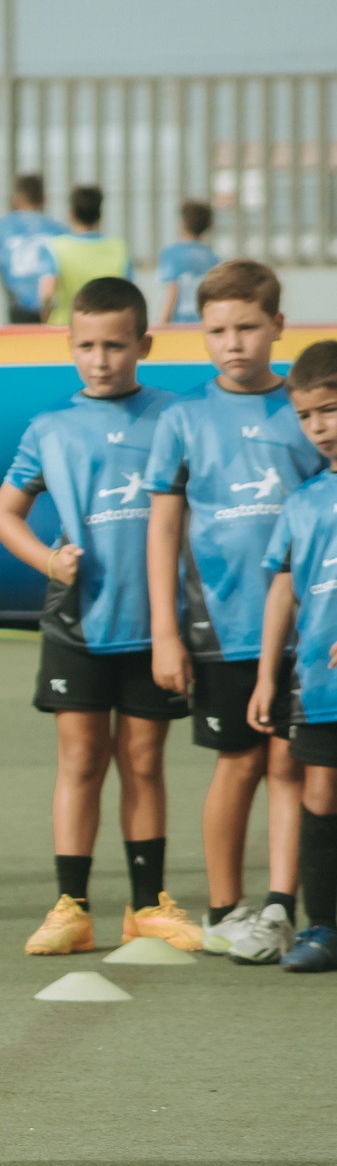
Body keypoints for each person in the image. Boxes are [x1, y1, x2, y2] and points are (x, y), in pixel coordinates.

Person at [0, 277, 187, 956]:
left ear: (144, 344)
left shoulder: (174, 418)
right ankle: (71, 906)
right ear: (69, 345)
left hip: (155, 622)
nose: (100, 359)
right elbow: (3, 516)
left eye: (115, 345)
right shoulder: (50, 429)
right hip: (78, 621)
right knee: (79, 761)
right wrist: (48, 561)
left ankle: (147, 903)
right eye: (87, 345)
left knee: (144, 761)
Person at [146, 259, 321, 960]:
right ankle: (224, 907)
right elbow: (161, 530)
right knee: (239, 763)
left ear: (278, 326)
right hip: (218, 629)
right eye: (218, 330)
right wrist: (165, 631)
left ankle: (281, 905)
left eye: (248, 326)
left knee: (290, 764)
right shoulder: (183, 418)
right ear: (201, 333)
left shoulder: (304, 412)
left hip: (304, 630)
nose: (234, 342)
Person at [250, 341, 337, 970]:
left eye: (330, 411)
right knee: (321, 792)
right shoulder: (303, 501)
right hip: (318, 684)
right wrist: (265, 673)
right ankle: (324, 926)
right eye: (307, 417)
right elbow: (283, 584)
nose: (319, 428)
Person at [0, 172, 63, 325]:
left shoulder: (1, 226)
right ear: (44, 199)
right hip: (53, 307)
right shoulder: (58, 229)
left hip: (19, 305)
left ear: (16, 198)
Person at [38, 185, 132, 325]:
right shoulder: (119, 248)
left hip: (65, 327)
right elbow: (129, 294)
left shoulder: (56, 247)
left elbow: (47, 293)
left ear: (71, 214)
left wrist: (45, 316)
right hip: (107, 328)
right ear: (100, 215)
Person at [158, 200, 220, 326]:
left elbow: (172, 291)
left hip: (180, 324)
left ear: (183, 224)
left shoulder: (171, 254)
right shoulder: (213, 257)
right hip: (204, 323)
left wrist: (162, 322)